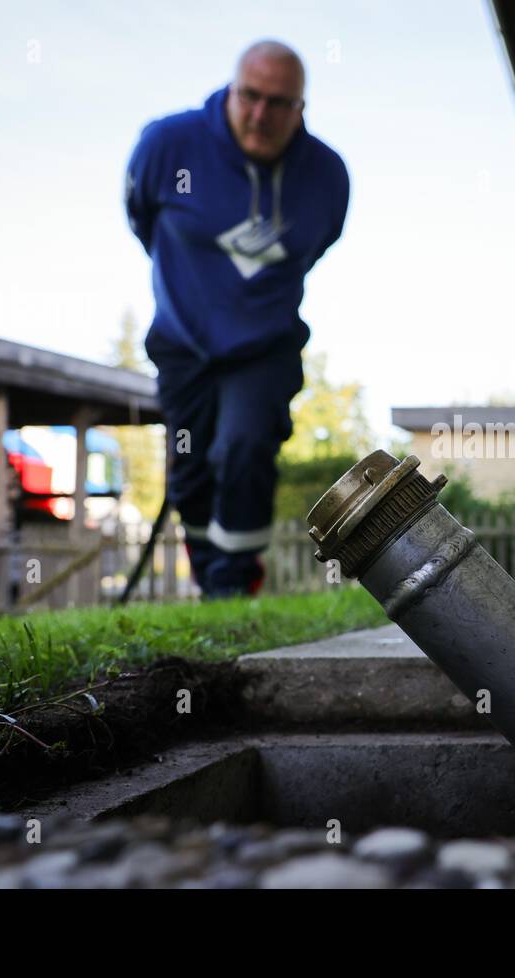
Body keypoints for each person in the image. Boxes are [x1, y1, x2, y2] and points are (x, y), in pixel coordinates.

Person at [125, 40, 350, 597]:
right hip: (183, 343)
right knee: (191, 469)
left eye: (279, 103)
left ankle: (233, 588)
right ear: (231, 89)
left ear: (301, 108)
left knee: (247, 446)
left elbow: (315, 245)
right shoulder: (168, 146)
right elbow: (140, 218)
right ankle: (209, 580)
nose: (260, 115)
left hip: (265, 346)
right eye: (249, 96)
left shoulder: (326, 176)